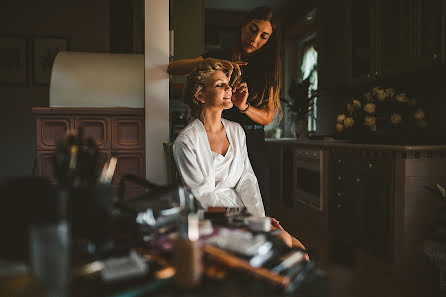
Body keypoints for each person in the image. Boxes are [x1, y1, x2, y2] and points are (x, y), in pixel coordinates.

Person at [173, 59, 306, 252]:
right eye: (220, 85)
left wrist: (259, 218)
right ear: (201, 95)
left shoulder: (236, 131)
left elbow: (247, 179)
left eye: (228, 84)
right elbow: (203, 198)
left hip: (241, 210)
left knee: (299, 249)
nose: (229, 89)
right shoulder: (186, 142)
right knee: (284, 244)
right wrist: (246, 221)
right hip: (211, 219)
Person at [168, 6, 281, 215]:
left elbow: (267, 117)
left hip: (250, 138)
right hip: (213, 131)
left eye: (264, 36)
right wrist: (206, 62)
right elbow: (172, 69)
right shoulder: (217, 60)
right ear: (242, 26)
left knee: (259, 200)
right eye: (252, 29)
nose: (255, 39)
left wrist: (244, 107)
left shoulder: (267, 70)